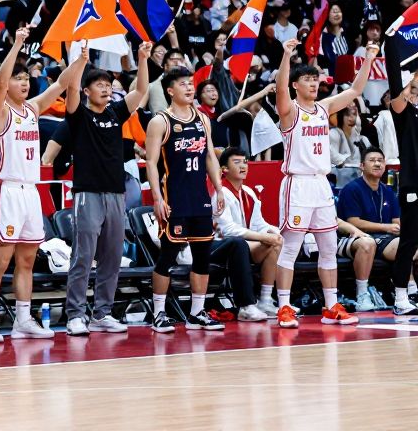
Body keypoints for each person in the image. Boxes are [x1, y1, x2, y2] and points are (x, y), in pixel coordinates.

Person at [0, 27, 83, 341]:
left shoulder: (32, 109)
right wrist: (18, 43)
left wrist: (80, 59)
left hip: (30, 191)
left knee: (27, 259)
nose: (23, 83)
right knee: (1, 260)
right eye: (18, 78)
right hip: (7, 190)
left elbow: (62, 84)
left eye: (27, 79)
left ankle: (22, 320)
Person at [273, 38, 379, 328]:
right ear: (296, 84)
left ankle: (331, 305)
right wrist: (285, 55)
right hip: (298, 184)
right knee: (291, 246)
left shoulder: (323, 108)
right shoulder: (291, 111)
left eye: (315, 79)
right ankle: (284, 306)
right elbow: (280, 89)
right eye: (307, 80)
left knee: (329, 246)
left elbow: (357, 89)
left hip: (321, 185)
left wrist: (368, 57)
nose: (313, 84)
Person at [63, 40, 151, 336]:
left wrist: (141, 59)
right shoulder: (79, 115)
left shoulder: (115, 113)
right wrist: (79, 62)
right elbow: (71, 90)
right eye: (100, 85)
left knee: (112, 256)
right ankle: (75, 314)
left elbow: (140, 92)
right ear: (88, 91)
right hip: (88, 193)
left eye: (109, 85)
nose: (106, 88)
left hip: (116, 194)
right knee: (83, 256)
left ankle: (102, 313)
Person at [144, 66, 226, 333]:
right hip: (174, 198)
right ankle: (158, 313)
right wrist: (157, 197)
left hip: (199, 198)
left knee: (202, 257)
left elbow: (210, 157)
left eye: (191, 83)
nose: (190, 88)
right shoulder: (160, 121)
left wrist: (219, 188)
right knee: (167, 256)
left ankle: (197, 312)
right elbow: (152, 162)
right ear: (170, 90)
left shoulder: (202, 119)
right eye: (183, 84)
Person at [337, 147, 413, 311]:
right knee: (372, 244)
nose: (377, 164)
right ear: (362, 166)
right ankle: (362, 295)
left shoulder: (388, 191)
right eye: (372, 160)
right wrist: (386, 227)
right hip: (351, 238)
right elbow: (353, 221)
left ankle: (411, 291)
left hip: (384, 239)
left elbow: (396, 221)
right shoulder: (351, 189)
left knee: (409, 242)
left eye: (380, 160)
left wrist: (403, 229)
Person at [212, 147, 283, 319]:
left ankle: (265, 300)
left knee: (276, 242)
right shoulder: (220, 194)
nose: (243, 166)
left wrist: (275, 231)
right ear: (224, 169)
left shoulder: (249, 192)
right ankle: (246, 306)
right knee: (243, 243)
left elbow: (259, 224)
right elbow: (227, 230)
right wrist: (262, 237)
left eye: (245, 162)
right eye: (236, 163)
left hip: (244, 245)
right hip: (220, 246)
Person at [385, 29, 418, 315]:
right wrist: (391, 44)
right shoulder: (403, 113)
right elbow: (396, 86)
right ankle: (400, 297)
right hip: (413, 186)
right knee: (410, 240)